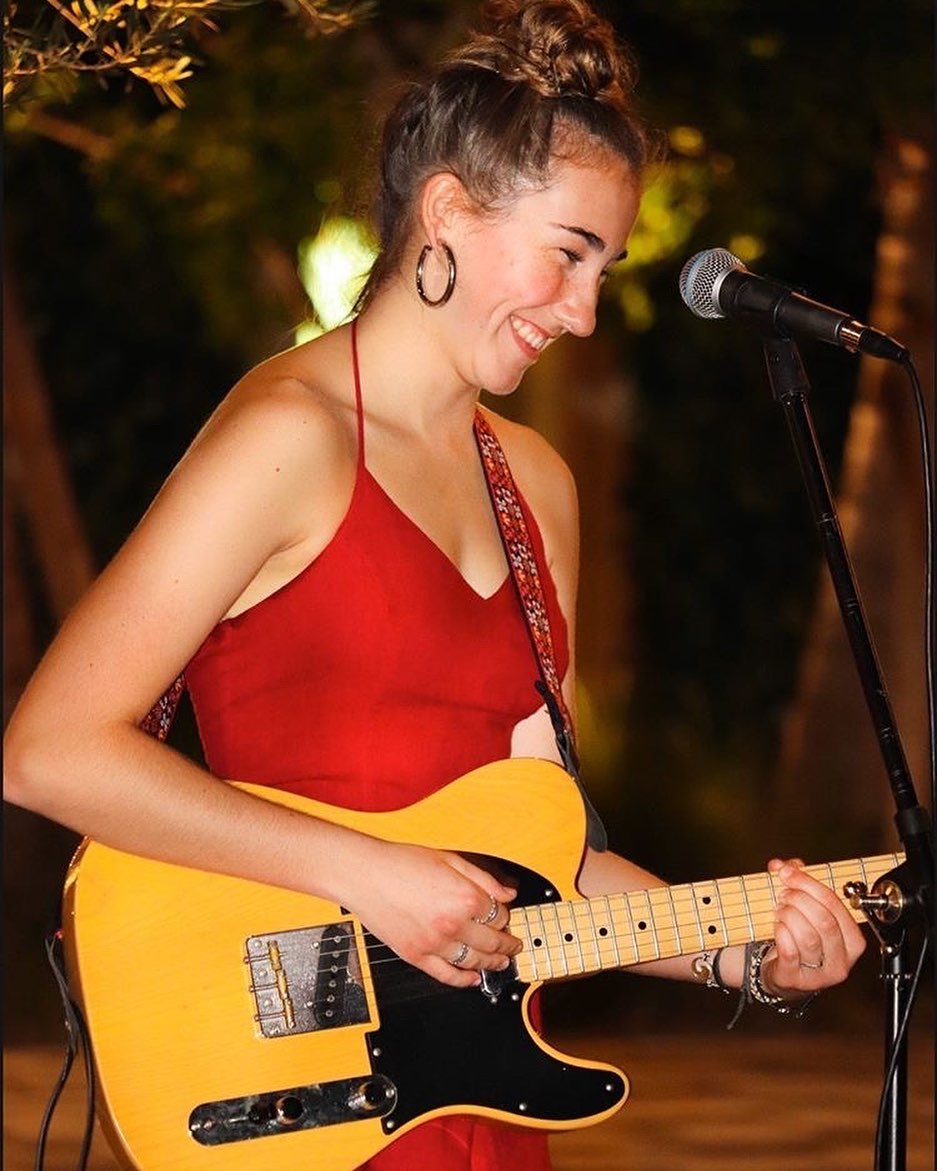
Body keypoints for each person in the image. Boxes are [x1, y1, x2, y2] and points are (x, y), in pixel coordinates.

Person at [4, 1, 867, 1168]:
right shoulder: (288, 437)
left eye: (602, 267)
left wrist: (741, 950)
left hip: (479, 1094)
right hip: (295, 1093)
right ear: (448, 208)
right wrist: (371, 876)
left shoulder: (537, 487)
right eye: (569, 253)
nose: (583, 310)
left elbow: (538, 849)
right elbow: (49, 747)